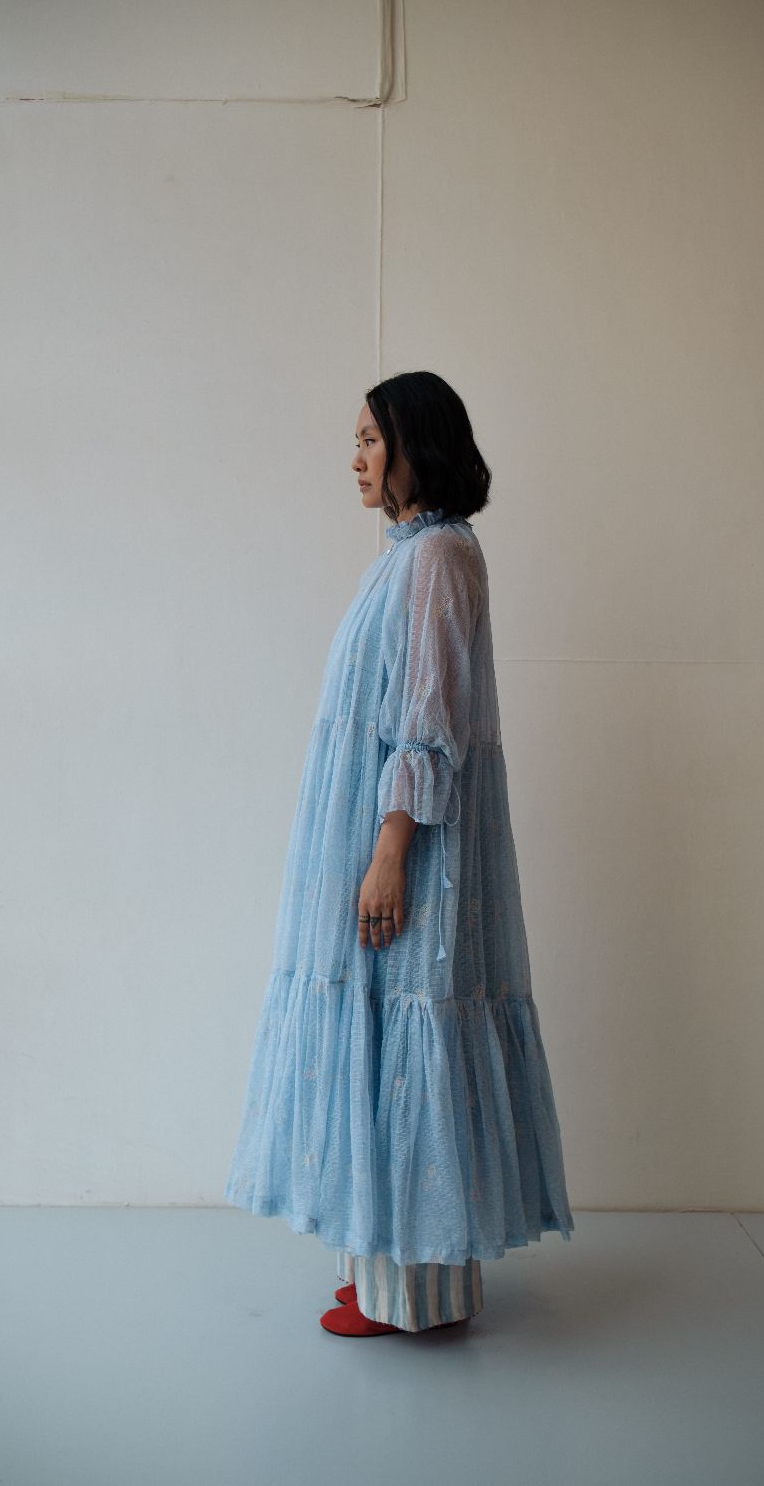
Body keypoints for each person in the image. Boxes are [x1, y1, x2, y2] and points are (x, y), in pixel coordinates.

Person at [224, 371, 574, 1336]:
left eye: (371, 440)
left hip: (410, 841)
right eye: (357, 440)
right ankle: (388, 1273)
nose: (356, 459)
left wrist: (389, 853)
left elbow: (429, 722)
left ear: (419, 446)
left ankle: (416, 1297)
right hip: (381, 829)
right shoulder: (409, 557)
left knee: (412, 1030)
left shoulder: (439, 559)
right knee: (385, 1037)